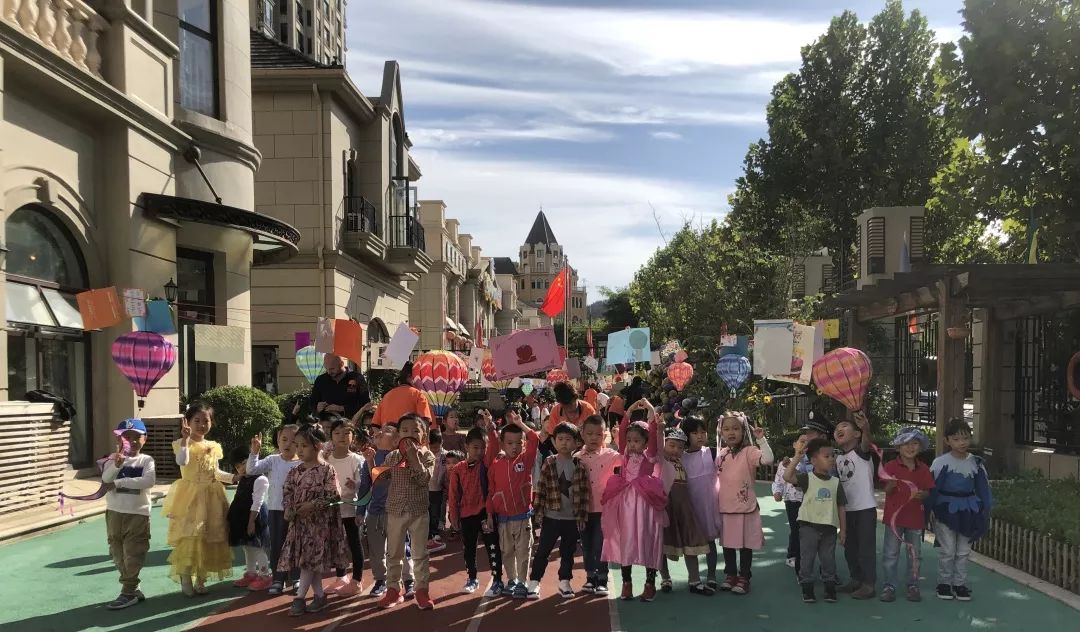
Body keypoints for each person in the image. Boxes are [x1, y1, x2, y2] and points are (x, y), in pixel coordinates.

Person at [278, 424, 350, 616]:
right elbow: (287, 491)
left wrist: (312, 505)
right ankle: (319, 596)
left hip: (319, 526)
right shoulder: (295, 471)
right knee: (310, 563)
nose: (299, 450)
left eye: (304, 446)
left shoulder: (327, 470)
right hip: (300, 525)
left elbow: (333, 495)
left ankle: (300, 598)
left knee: (309, 561)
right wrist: (289, 509)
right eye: (297, 445)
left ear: (317, 446)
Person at [163, 403, 234, 596]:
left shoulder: (213, 446)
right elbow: (182, 462)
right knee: (191, 537)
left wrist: (233, 477)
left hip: (213, 497)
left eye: (206, 421)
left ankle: (201, 580)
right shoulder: (181, 443)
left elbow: (216, 472)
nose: (202, 425)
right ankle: (186, 577)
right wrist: (186, 441)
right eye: (197, 421)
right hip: (191, 497)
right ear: (188, 422)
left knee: (211, 536)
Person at [602, 400, 666, 602]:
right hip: (626, 501)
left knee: (648, 538)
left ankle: (650, 584)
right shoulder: (626, 453)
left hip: (645, 502)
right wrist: (628, 412)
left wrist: (651, 410)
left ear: (646, 442)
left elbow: (655, 435)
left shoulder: (650, 454)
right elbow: (621, 433)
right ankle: (627, 583)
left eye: (636, 440)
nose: (631, 444)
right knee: (625, 539)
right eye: (629, 440)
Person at [928, 418, 992, 602]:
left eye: (965, 438)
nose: (961, 442)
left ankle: (959, 584)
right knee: (948, 549)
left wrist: (984, 510)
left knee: (964, 550)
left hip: (969, 509)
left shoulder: (976, 463)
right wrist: (930, 510)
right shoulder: (940, 462)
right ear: (947, 441)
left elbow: (983, 488)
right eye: (956, 439)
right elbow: (931, 488)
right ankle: (944, 583)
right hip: (945, 509)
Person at [379, 414, 437, 610]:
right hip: (395, 510)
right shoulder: (392, 456)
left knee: (420, 553)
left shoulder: (428, 455)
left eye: (415, 431)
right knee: (394, 553)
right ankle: (393, 590)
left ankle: (421, 590)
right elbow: (381, 477)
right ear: (398, 436)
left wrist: (414, 458)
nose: (409, 435)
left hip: (418, 511)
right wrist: (372, 460)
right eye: (405, 431)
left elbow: (423, 479)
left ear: (424, 436)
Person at [528, 421, 591, 600]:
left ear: (576, 443)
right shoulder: (550, 462)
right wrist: (538, 512)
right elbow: (541, 488)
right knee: (543, 551)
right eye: (560, 439)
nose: (564, 443)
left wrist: (582, 516)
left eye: (568, 439)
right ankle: (534, 581)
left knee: (567, 552)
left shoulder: (580, 465)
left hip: (571, 519)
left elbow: (585, 492)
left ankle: (565, 581)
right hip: (551, 517)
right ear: (554, 442)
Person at [715, 411, 774, 595]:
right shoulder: (721, 454)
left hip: (746, 508)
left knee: (745, 544)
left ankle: (744, 576)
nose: (731, 432)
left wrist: (761, 440)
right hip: (726, 507)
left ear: (743, 431)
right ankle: (731, 574)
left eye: (735, 428)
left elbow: (768, 459)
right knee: (728, 544)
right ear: (721, 432)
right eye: (726, 429)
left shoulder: (749, 452)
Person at [101, 419, 156, 609]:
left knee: (134, 551)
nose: (131, 441)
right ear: (119, 439)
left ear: (145, 439)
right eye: (126, 437)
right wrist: (116, 465)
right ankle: (133, 586)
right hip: (114, 512)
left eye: (136, 437)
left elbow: (148, 481)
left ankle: (128, 591)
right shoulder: (112, 459)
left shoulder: (146, 460)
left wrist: (119, 483)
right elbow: (105, 479)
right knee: (116, 552)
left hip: (138, 514)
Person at [784, 437, 846, 604]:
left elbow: (841, 507)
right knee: (807, 559)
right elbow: (787, 476)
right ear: (813, 461)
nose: (832, 459)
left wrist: (843, 532)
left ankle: (830, 587)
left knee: (828, 560)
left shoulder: (835, 482)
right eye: (827, 456)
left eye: (833, 455)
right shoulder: (807, 478)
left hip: (829, 529)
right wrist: (797, 456)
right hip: (808, 527)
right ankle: (807, 588)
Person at [486, 411, 540, 598]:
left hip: (523, 518)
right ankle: (512, 579)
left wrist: (521, 424)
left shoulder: (525, 460)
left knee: (523, 552)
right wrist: (489, 514)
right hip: (503, 519)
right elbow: (491, 492)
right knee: (507, 551)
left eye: (519, 443)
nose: (515, 447)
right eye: (510, 443)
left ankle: (523, 583)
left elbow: (535, 439)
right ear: (502, 445)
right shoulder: (495, 464)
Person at [449, 415, 503, 596]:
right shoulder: (458, 469)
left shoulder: (486, 464)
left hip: (485, 513)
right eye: (475, 447)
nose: (479, 451)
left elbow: (495, 448)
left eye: (483, 448)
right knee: (469, 549)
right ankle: (472, 578)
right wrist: (454, 516)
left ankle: (497, 579)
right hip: (466, 515)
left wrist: (491, 427)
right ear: (466, 447)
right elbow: (454, 494)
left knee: (492, 547)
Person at [880, 427, 934, 603]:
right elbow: (886, 490)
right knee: (890, 553)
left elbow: (927, 491)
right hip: (894, 520)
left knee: (914, 554)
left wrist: (922, 494)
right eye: (906, 444)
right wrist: (892, 484)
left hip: (915, 519)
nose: (911, 447)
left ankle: (913, 585)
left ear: (920, 447)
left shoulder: (923, 468)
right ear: (898, 447)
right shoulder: (890, 466)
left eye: (915, 443)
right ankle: (889, 585)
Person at [248, 424, 302, 595]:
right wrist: (255, 452)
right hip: (275, 511)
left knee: (295, 545)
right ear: (278, 441)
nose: (288, 444)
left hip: (297, 513)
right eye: (284, 439)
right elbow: (252, 469)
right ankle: (278, 579)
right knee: (277, 545)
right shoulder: (272, 460)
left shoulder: (303, 462)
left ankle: (296, 578)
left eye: (294, 441)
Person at [776, 415, 834, 574]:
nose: (807, 437)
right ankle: (802, 571)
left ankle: (827, 572)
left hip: (824, 505)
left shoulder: (830, 458)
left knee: (826, 539)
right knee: (802, 534)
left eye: (811, 433)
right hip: (801, 504)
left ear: (822, 436)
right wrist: (794, 462)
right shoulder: (802, 457)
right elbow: (795, 480)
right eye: (805, 434)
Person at [659, 423, 711, 596]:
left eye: (680, 447)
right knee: (661, 544)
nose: (675, 450)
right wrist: (658, 429)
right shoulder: (659, 461)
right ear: (664, 444)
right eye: (671, 445)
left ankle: (695, 580)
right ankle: (665, 578)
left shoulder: (684, 461)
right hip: (665, 508)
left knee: (691, 541)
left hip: (685, 508)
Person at [365, 422, 415, 597]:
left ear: (395, 441)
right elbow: (368, 484)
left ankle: (409, 580)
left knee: (400, 547)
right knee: (376, 550)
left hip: (396, 510)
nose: (379, 433)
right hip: (375, 511)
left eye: (386, 431)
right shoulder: (370, 456)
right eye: (379, 430)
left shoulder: (398, 457)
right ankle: (381, 580)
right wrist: (359, 511)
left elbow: (384, 478)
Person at [833, 411, 877, 599]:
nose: (838, 430)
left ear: (857, 434)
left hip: (865, 508)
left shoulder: (861, 451)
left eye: (844, 426)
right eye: (836, 429)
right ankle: (855, 579)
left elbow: (868, 441)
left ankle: (868, 583)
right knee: (850, 547)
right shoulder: (836, 458)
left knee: (865, 548)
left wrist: (865, 427)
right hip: (846, 510)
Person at [575, 414, 620, 596]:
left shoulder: (611, 455)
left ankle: (602, 578)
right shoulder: (577, 457)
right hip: (584, 511)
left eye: (598, 435)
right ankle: (590, 577)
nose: (594, 438)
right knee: (586, 545)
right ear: (583, 435)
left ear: (605, 436)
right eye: (590, 434)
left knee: (600, 545)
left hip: (604, 510)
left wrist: (619, 437)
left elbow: (628, 457)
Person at [326, 417, 371, 597]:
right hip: (332, 509)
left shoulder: (357, 459)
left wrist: (356, 484)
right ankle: (341, 577)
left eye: (346, 433)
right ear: (331, 437)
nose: (342, 437)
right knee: (337, 545)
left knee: (354, 544)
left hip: (351, 508)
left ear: (353, 436)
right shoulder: (327, 459)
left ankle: (357, 580)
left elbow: (364, 482)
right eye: (337, 433)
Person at [677, 415, 721, 591]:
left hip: (710, 507)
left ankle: (711, 576)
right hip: (691, 508)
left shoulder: (712, 452)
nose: (700, 436)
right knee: (691, 545)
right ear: (686, 435)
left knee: (710, 543)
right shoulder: (681, 457)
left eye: (703, 431)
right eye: (695, 433)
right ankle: (693, 578)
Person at [228, 446, 271, 592]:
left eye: (244, 463)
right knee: (247, 546)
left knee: (257, 546)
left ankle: (265, 575)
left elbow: (257, 502)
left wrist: (251, 521)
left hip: (255, 517)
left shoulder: (261, 479)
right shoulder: (243, 479)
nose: (241, 468)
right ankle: (251, 573)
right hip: (242, 516)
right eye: (238, 466)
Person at [372, 362, 434, 428]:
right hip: (410, 437)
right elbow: (425, 422)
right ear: (409, 377)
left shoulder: (387, 396)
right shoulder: (418, 395)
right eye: (419, 377)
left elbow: (375, 425)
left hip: (388, 436)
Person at [309, 354, 370, 420]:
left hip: (351, 422)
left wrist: (342, 408)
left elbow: (365, 403)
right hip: (327, 424)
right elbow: (312, 402)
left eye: (332, 369)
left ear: (341, 364)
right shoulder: (321, 380)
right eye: (326, 369)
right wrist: (317, 408)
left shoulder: (357, 378)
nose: (329, 372)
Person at [427, 429, 449, 554]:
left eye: (437, 447)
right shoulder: (425, 454)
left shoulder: (445, 455)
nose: (435, 450)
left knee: (436, 511)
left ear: (442, 443)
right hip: (427, 488)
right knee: (427, 511)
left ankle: (435, 531)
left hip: (438, 488)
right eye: (432, 447)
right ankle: (429, 532)